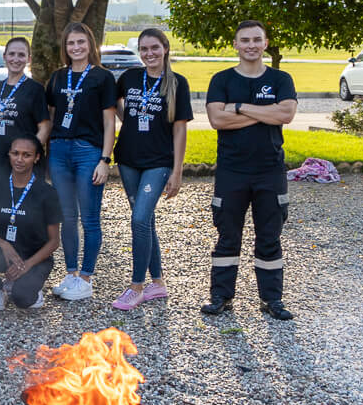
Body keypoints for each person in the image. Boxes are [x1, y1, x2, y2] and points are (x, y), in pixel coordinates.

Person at [202, 20, 298, 320]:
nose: (251, 45)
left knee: (269, 236)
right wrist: (265, 114)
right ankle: (221, 296)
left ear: (265, 43)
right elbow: (217, 120)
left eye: (257, 39)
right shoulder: (221, 80)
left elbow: (287, 114)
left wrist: (240, 107)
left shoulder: (282, 79)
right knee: (227, 236)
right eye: (245, 40)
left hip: (270, 170)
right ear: (236, 45)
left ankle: (272, 300)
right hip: (232, 171)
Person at [111, 28, 192, 311]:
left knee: (139, 218)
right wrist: (129, 121)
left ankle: (136, 287)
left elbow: (180, 129)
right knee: (144, 221)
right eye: (144, 49)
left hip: (159, 162)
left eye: (154, 48)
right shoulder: (130, 77)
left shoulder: (177, 83)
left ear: (165, 48)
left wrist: (177, 171)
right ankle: (158, 282)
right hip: (128, 159)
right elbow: (116, 103)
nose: (149, 54)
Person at [44, 21, 117, 302]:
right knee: (67, 217)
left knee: (89, 217)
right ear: (65, 47)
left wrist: (105, 159)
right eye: (71, 43)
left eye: (81, 42)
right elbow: (51, 117)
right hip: (60, 150)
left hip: (88, 151)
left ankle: (86, 278)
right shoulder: (58, 77)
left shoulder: (102, 77)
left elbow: (109, 122)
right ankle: (71, 273)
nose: (76, 47)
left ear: (90, 45)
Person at [0, 136, 62, 310]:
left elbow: (54, 241)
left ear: (36, 158)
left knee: (22, 300)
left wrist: (27, 265)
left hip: (36, 257)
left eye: (26, 155)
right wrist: (3, 244)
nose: (19, 159)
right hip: (7, 253)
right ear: (9, 155)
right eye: (15, 153)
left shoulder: (47, 193)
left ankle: (31, 286)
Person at [0, 36, 50, 178]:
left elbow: (44, 127)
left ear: (29, 59)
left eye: (21, 55)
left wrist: (29, 154)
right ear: (5, 56)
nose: (16, 59)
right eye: (12, 54)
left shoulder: (35, 89)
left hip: (23, 165)